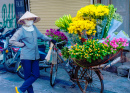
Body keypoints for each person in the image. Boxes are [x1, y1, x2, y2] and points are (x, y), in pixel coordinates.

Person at [9, 11, 56, 93]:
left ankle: (21, 89)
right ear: (23, 21)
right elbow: (12, 41)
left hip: (35, 56)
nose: (30, 20)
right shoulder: (21, 31)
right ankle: (28, 91)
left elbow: (41, 36)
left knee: (36, 74)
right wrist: (21, 44)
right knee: (27, 77)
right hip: (26, 56)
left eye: (31, 19)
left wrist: (50, 39)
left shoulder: (34, 28)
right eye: (28, 19)